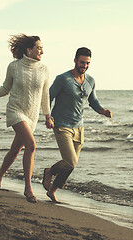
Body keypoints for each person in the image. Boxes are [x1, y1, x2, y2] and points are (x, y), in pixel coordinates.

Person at [0, 34, 54, 203]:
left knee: (15, 150)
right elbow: (5, 88)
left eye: (42, 48)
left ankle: (0, 174)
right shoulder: (14, 67)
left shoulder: (44, 69)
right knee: (31, 145)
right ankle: (28, 188)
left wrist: (48, 115)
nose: (42, 51)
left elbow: (45, 94)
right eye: (39, 48)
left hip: (32, 116)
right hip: (16, 110)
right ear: (29, 50)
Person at [43, 47, 112, 203]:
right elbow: (48, 96)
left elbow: (93, 101)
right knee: (70, 161)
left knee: (70, 165)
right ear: (75, 60)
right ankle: (49, 171)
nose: (84, 66)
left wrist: (103, 111)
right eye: (82, 62)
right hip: (61, 125)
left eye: (87, 63)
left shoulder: (90, 81)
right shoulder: (63, 79)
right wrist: (48, 116)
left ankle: (52, 191)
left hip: (79, 127)